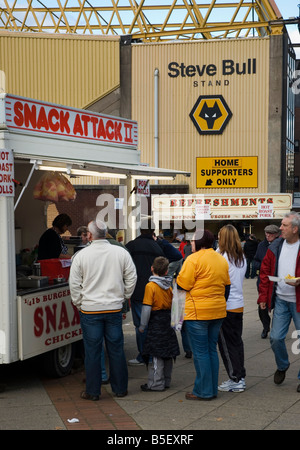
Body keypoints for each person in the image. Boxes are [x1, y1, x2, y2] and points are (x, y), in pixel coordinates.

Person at [69, 219, 137, 400]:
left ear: (89, 235)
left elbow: (74, 284)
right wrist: (124, 297)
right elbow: (132, 277)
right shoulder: (120, 252)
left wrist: (79, 303)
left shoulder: (81, 256)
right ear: (105, 233)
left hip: (90, 310)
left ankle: (93, 391)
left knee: (92, 351)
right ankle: (120, 388)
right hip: (114, 308)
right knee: (116, 348)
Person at [177, 229, 230, 400]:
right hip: (218, 310)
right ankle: (211, 389)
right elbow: (226, 286)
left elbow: (183, 284)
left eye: (192, 241)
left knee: (200, 353)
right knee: (211, 350)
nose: (191, 244)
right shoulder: (221, 259)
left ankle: (203, 391)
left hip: (198, 312)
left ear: (199, 242)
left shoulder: (193, 259)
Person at [257, 211, 300, 393]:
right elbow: (265, 272)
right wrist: (263, 298)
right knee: (275, 338)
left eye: (284, 225)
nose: (280, 228)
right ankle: (282, 365)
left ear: (295, 229)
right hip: (281, 299)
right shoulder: (276, 245)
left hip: (298, 301)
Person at [125, 218, 165, 366]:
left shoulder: (132, 246)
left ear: (140, 230)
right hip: (155, 291)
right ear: (153, 231)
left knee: (140, 326)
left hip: (138, 291)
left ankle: (143, 355)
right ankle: (154, 355)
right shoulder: (158, 247)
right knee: (153, 324)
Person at [139, 256, 180, 391]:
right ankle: (167, 380)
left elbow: (146, 308)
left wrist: (142, 325)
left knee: (156, 353)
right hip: (167, 320)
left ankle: (156, 383)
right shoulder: (170, 285)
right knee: (168, 351)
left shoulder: (151, 286)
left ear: (152, 268)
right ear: (167, 270)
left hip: (156, 322)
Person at [216, 224, 247, 393]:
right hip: (238, 304)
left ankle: (235, 378)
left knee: (226, 345)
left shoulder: (220, 256)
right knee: (236, 343)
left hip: (226, 305)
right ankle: (239, 376)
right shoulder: (241, 257)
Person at [253, 224, 280, 338]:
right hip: (263, 280)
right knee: (262, 305)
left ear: (276, 235)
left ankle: (276, 328)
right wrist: (262, 266)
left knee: (277, 306)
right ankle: (265, 326)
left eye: (270, 234)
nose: (268, 235)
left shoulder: (280, 245)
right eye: (266, 233)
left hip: (276, 280)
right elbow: (255, 261)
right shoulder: (261, 245)